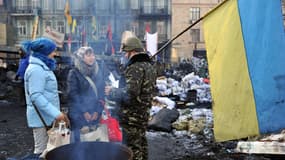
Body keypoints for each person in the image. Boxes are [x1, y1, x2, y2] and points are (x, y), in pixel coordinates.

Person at [105, 36, 156, 160]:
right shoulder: (149, 66)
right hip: (143, 113)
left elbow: (131, 93)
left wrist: (112, 92)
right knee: (141, 144)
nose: (124, 55)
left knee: (132, 148)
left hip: (132, 115)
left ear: (131, 51)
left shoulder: (135, 67)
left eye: (125, 53)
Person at [23, 37, 69, 158]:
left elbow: (44, 91)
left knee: (49, 151)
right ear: (45, 52)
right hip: (41, 119)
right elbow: (36, 96)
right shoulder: (36, 70)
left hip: (46, 117)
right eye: (52, 51)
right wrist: (57, 114)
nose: (55, 53)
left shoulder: (41, 67)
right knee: (41, 152)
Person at [66, 46, 107, 142]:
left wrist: (97, 111)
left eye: (92, 55)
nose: (92, 57)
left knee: (94, 140)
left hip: (94, 114)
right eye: (88, 55)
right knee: (80, 143)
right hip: (78, 115)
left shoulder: (97, 71)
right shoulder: (74, 73)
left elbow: (101, 92)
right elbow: (73, 94)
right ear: (81, 58)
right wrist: (84, 112)